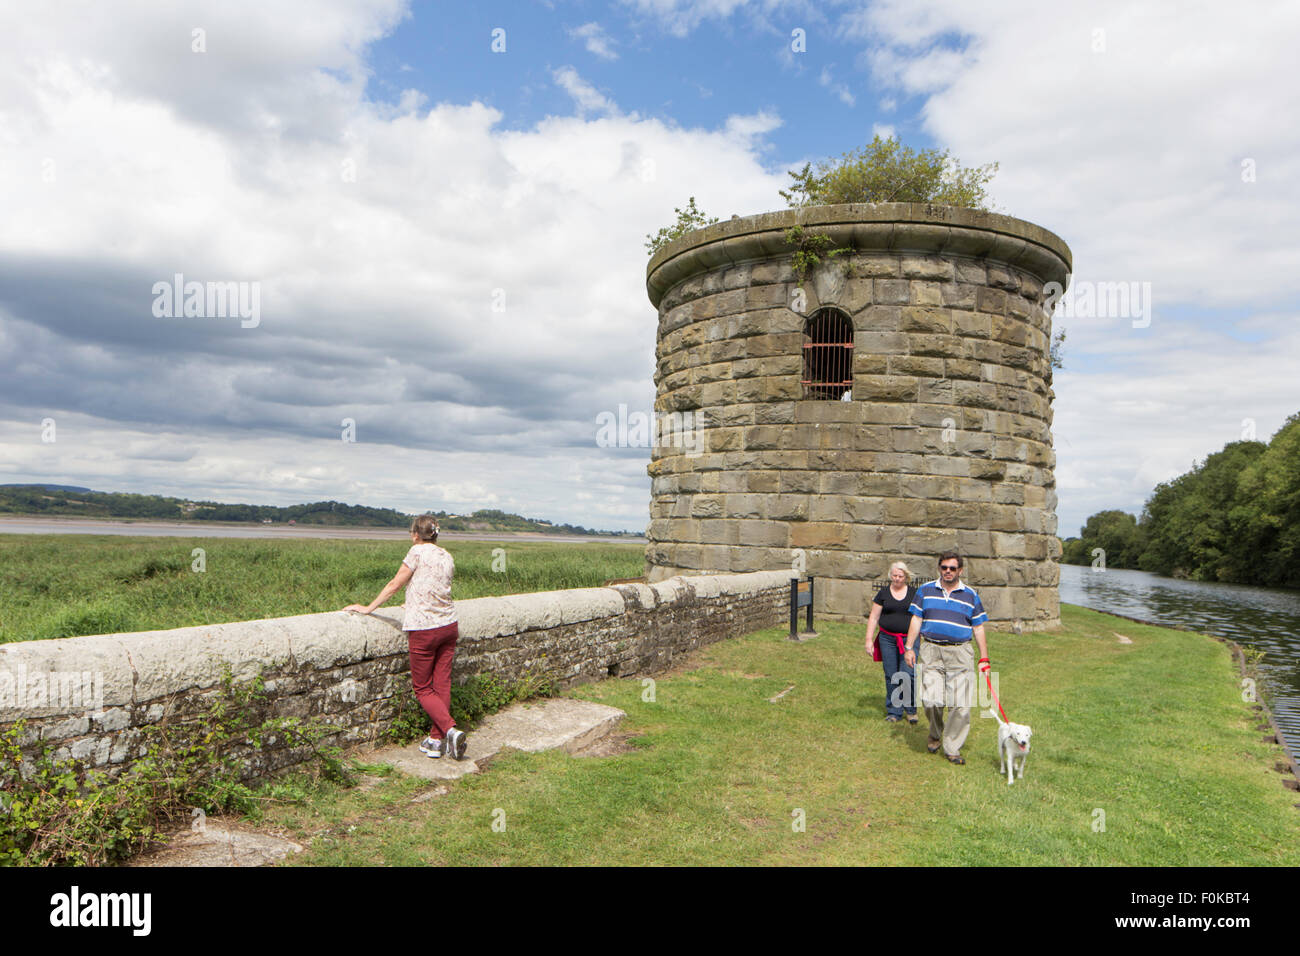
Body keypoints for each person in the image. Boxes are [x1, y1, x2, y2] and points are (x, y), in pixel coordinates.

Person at [343, 515, 467, 760]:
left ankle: (451, 731)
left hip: (424, 630)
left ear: (414, 534)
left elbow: (394, 585)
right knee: (441, 684)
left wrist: (368, 608)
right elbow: (435, 587)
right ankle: (435, 740)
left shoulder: (416, 552)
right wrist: (412, 603)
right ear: (436, 534)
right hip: (449, 625)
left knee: (422, 688)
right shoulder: (446, 555)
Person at [903, 552, 990, 766]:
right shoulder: (925, 591)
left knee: (960, 706)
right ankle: (935, 732)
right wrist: (909, 647)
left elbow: (978, 627)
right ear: (939, 569)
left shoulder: (971, 595)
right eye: (944, 567)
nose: (948, 571)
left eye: (952, 568)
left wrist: (984, 658)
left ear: (960, 570)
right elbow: (916, 619)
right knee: (931, 700)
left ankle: (952, 747)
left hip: (961, 654)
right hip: (931, 650)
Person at [865, 562, 918, 724]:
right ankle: (894, 711)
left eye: (900, 576)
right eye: (894, 576)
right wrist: (868, 639)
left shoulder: (914, 594)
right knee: (891, 675)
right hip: (887, 639)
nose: (897, 579)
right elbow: (874, 617)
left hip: (909, 640)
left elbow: (919, 617)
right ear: (890, 576)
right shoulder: (883, 593)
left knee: (907, 674)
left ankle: (910, 710)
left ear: (906, 577)